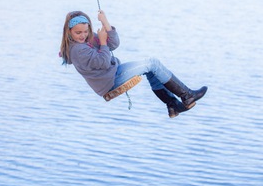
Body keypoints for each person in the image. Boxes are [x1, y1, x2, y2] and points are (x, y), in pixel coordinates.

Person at [60, 10, 207, 118]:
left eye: (86, 31)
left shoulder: (88, 40)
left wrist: (106, 24)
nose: (83, 35)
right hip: (110, 81)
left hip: (112, 74)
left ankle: (172, 105)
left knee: (151, 69)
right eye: (78, 32)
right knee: (152, 63)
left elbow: (114, 44)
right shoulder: (78, 49)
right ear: (69, 32)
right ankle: (187, 95)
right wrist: (103, 42)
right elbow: (103, 63)